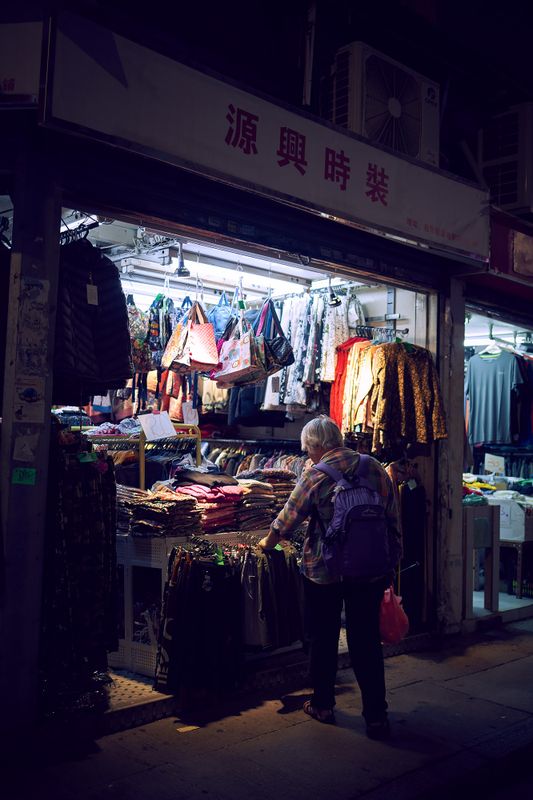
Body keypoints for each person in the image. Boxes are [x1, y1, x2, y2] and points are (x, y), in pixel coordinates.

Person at [259, 415, 401, 740]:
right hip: (369, 570)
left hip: (325, 571)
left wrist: (268, 542)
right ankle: (376, 717)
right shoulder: (374, 467)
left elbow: (287, 519)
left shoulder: (315, 474)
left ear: (317, 445)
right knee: (366, 641)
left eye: (308, 449)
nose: (307, 455)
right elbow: (392, 518)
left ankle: (323, 705)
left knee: (323, 638)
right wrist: (390, 561)